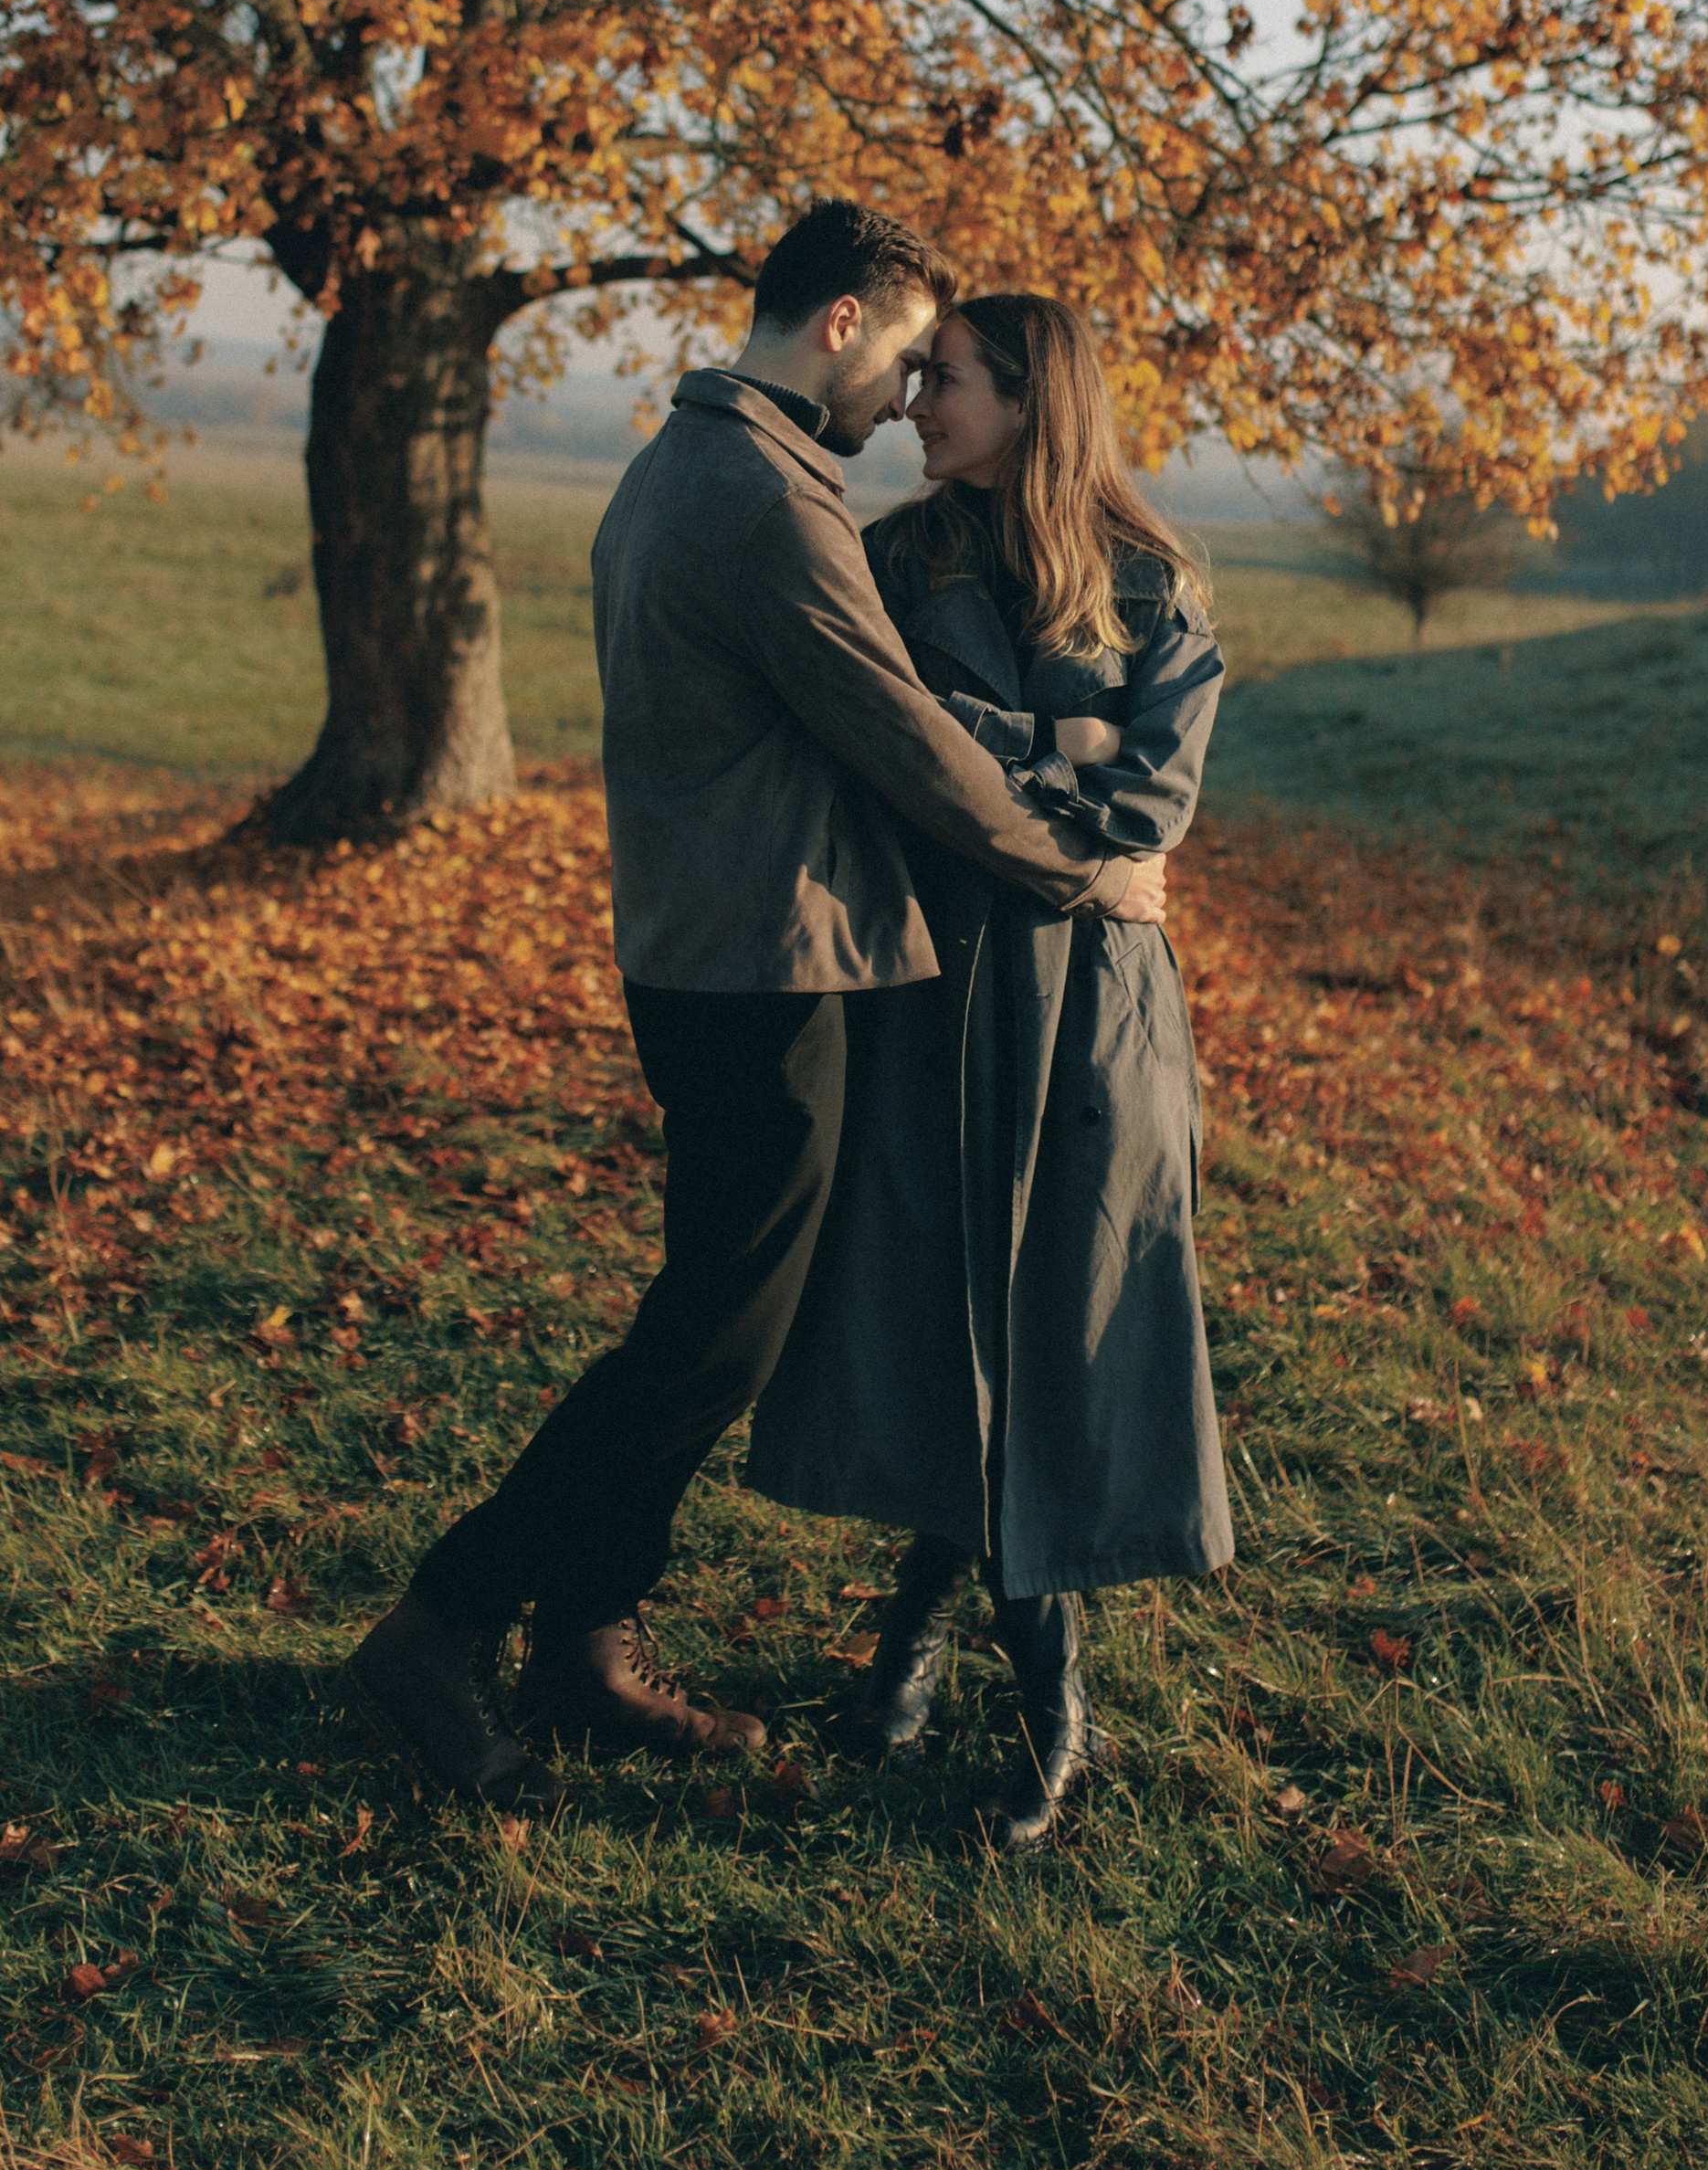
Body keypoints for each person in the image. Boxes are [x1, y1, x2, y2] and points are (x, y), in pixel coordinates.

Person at [349, 204, 1174, 1811]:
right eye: (911, 357)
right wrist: (1079, 871)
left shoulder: (691, 467)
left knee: (712, 1323)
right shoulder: (761, 501)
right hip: (758, 971)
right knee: (707, 1343)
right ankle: (441, 1627)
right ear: (847, 324)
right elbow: (906, 745)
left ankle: (582, 1642)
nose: (909, 400)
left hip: (710, 950)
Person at [745, 291, 1230, 1852]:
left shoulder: (1155, 585)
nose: (911, 403)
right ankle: (926, 1645)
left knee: (1053, 1331)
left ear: (1026, 399)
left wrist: (995, 761)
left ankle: (1039, 1696)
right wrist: (1044, 752)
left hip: (1092, 1017)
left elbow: (1146, 808)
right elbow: (879, 764)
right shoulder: (890, 564)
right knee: (944, 1311)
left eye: (943, 379)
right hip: (931, 995)